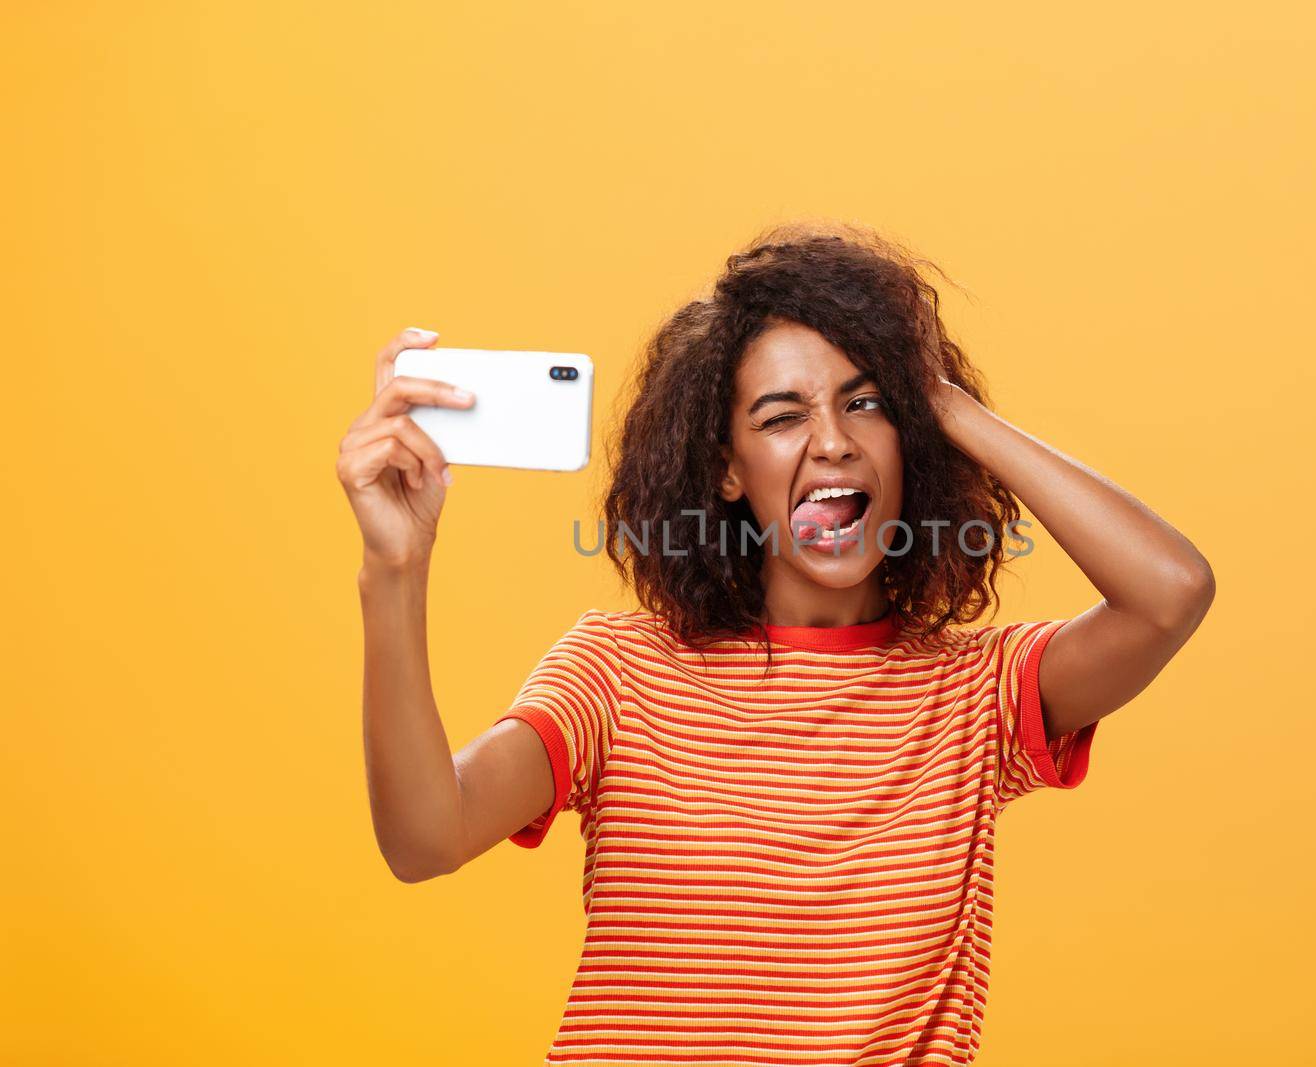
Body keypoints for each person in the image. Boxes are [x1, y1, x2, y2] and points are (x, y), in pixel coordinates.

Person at [335, 220, 1215, 1065]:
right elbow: (425, 838)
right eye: (782, 416)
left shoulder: (978, 693)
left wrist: (938, 399)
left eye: (865, 404)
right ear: (725, 468)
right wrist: (395, 566)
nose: (833, 441)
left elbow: (1169, 593)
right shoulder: (617, 671)